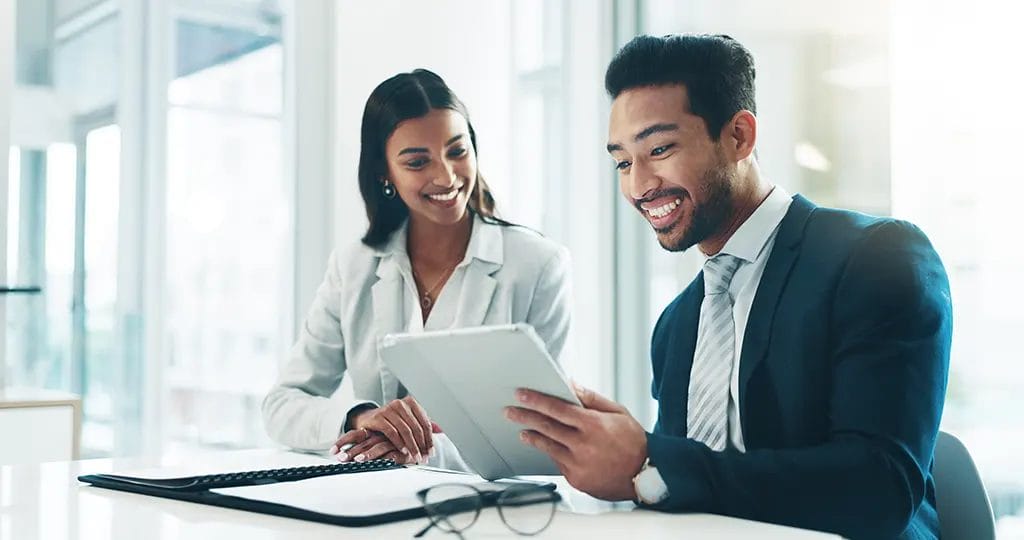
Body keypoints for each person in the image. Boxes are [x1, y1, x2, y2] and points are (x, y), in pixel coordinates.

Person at [506, 34, 951, 540]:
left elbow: (878, 491)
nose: (638, 186)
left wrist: (649, 462)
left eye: (659, 149)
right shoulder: (677, 325)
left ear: (739, 136)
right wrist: (613, 457)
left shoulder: (876, 259)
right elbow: (690, 495)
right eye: (623, 163)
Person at [263, 69, 572, 470]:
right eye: (416, 162)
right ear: (384, 173)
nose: (445, 176)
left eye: (457, 151)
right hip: (377, 501)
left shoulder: (537, 265)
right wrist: (361, 418)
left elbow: (545, 430)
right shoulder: (353, 265)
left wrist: (412, 447)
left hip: (487, 508)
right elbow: (282, 405)